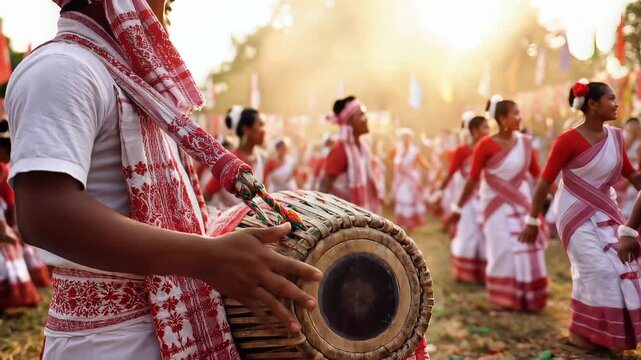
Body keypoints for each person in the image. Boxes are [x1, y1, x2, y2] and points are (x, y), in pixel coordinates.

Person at [6, 1, 321, 358]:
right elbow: (43, 216)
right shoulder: (62, 68)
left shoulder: (134, 87)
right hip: (112, 343)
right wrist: (207, 258)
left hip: (161, 329)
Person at [521, 82, 641, 351]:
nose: (616, 103)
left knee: (622, 268)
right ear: (592, 105)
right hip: (573, 215)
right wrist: (531, 219)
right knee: (597, 270)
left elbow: (632, 175)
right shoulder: (566, 140)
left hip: (607, 211)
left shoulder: (616, 138)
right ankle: (584, 334)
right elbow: (544, 182)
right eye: (611, 99)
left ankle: (595, 335)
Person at [450, 96, 548, 311]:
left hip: (521, 203)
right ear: (502, 119)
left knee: (528, 247)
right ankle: (504, 298)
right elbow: (473, 178)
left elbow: (538, 175)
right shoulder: (485, 145)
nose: (519, 118)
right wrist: (458, 207)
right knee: (502, 248)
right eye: (515, 114)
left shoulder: (525, 143)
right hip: (494, 205)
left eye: (519, 113)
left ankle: (529, 298)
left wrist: (557, 194)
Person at [440, 116, 490, 283]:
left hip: (484, 197)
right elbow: (451, 172)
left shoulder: (489, 148)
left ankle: (484, 272)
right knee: (469, 233)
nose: (488, 131)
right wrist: (438, 192)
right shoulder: (462, 151)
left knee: (485, 235)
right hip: (466, 198)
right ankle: (466, 273)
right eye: (485, 127)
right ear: (474, 131)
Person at [318, 96, 384, 213]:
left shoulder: (363, 148)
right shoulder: (341, 150)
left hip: (357, 215)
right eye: (361, 115)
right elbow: (324, 186)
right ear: (349, 121)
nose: (366, 119)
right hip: (342, 217)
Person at [390, 128, 429, 230]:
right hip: (401, 180)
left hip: (411, 180)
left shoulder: (414, 151)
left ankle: (410, 223)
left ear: (411, 139)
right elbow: (390, 161)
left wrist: (427, 170)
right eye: (404, 137)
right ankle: (401, 222)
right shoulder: (397, 149)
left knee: (409, 199)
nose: (406, 139)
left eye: (408, 137)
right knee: (401, 198)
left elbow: (423, 163)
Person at [615, 118, 641, 218]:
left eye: (635, 128)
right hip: (623, 175)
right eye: (631, 127)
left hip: (634, 175)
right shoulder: (623, 138)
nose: (633, 130)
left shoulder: (639, 143)